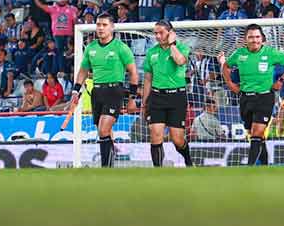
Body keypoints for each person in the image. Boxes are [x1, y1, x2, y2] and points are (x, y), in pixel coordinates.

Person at [220, 24, 284, 167]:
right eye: (251, 37)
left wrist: (281, 81)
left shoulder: (271, 53)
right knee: (255, 135)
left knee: (257, 132)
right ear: (245, 39)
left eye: (257, 37)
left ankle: (250, 168)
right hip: (246, 98)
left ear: (262, 39)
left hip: (264, 97)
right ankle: (264, 166)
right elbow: (226, 66)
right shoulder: (239, 54)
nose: (254, 40)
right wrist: (230, 84)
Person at [71, 13, 140, 168]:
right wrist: (76, 91)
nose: (100, 28)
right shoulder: (91, 47)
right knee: (103, 132)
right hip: (96, 92)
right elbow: (83, 71)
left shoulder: (121, 48)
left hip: (114, 90)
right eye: (98, 25)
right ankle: (109, 166)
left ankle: (105, 167)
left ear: (112, 27)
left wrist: (132, 97)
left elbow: (133, 72)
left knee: (103, 130)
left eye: (104, 25)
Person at [141, 20, 195, 169]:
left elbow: (180, 61)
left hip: (177, 97)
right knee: (155, 135)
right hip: (157, 97)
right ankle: (158, 171)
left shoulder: (182, 47)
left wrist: (172, 44)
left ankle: (188, 161)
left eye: (161, 33)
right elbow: (147, 78)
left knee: (177, 139)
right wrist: (144, 103)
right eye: (155, 33)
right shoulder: (152, 52)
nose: (157, 36)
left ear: (170, 33)